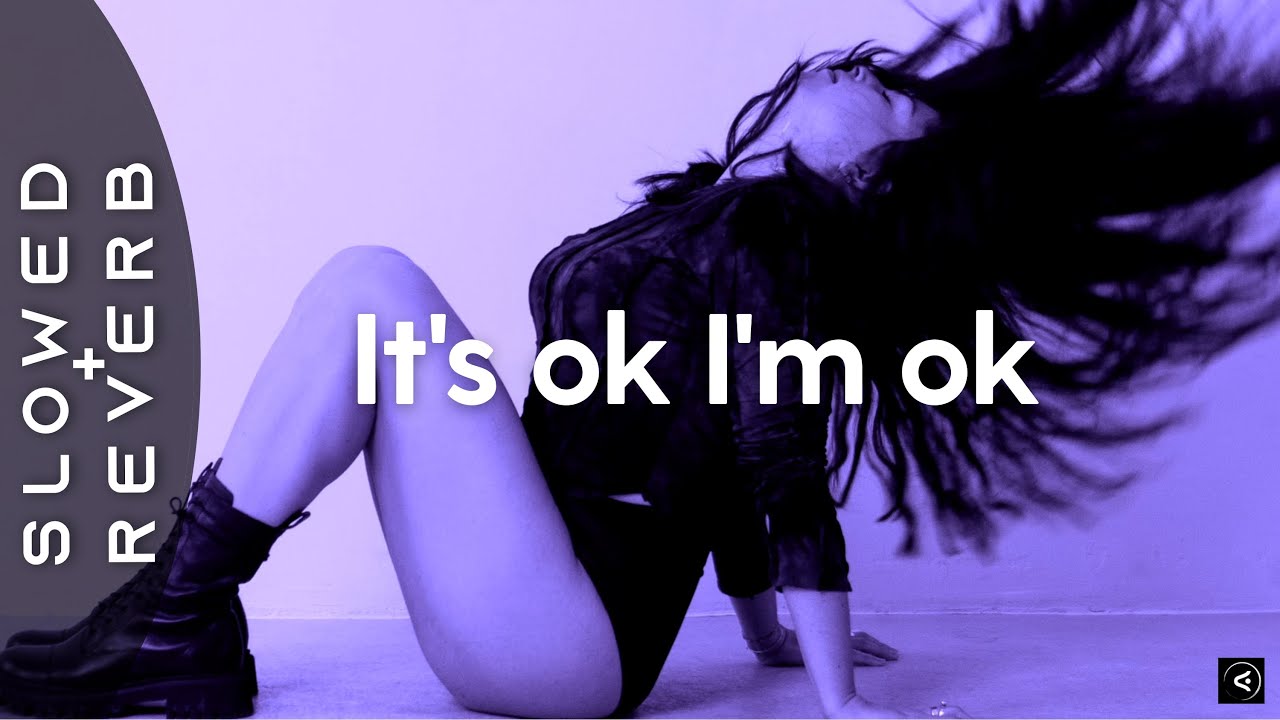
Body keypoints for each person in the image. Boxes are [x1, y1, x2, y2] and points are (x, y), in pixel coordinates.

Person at [2, 0, 1279, 717]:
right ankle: (175, 620)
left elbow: (777, 458)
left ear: (870, 174)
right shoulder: (712, 218)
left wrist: (831, 695)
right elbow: (712, 444)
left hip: (565, 639)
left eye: (888, 96)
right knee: (369, 294)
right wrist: (758, 629)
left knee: (371, 286)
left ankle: (173, 623)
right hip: (530, 615)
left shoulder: (776, 249)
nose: (861, 68)